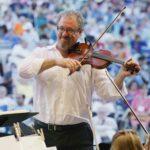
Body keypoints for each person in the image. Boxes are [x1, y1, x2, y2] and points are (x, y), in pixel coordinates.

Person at [18, 10, 140, 150]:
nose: (64, 34)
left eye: (70, 30)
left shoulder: (90, 58)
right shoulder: (41, 53)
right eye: (61, 28)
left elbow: (108, 94)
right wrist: (57, 62)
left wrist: (121, 75)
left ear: (80, 32)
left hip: (77, 134)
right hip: (43, 132)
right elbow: (23, 71)